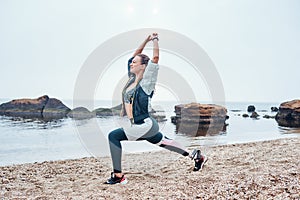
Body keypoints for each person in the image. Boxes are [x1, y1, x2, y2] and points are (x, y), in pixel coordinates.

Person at [105, 33, 207, 185]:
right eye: (131, 62)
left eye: (134, 62)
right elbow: (133, 56)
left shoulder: (147, 81)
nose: (131, 64)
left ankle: (118, 176)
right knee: (165, 143)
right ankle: (197, 157)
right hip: (142, 126)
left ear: (143, 66)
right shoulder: (132, 78)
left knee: (113, 136)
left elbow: (156, 58)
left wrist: (154, 40)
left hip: (144, 124)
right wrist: (145, 39)